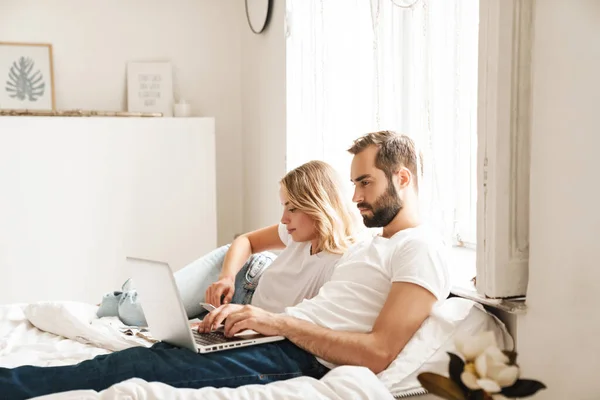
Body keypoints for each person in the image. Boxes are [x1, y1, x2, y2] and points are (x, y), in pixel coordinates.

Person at [0, 131, 450, 399]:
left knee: (128, 376)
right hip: (273, 336)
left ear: (402, 178)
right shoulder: (371, 246)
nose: (354, 197)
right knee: (145, 357)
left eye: (365, 183)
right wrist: (258, 320)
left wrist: (274, 322)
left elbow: (377, 353)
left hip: (295, 355)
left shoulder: (418, 249)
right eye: (353, 184)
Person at [97, 160, 356, 327]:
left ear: (318, 206)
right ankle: (125, 293)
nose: (283, 218)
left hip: (246, 312)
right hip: (242, 273)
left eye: (292, 208)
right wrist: (227, 278)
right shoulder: (297, 231)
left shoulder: (341, 262)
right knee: (137, 311)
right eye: (283, 206)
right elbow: (246, 241)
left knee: (174, 326)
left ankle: (148, 288)